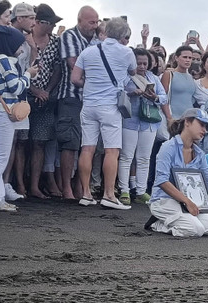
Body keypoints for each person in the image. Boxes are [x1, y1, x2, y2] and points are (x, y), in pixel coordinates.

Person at [71, 17, 137, 209]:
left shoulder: (88, 51)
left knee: (87, 148)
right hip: (110, 105)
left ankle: (86, 193)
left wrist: (91, 85)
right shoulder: (127, 52)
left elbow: (75, 79)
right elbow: (133, 72)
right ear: (123, 35)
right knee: (112, 150)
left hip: (89, 104)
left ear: (106, 31)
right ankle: (108, 194)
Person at [145, 108, 208, 237]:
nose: (204, 130)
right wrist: (187, 201)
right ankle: (156, 224)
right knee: (195, 230)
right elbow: (162, 181)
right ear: (187, 122)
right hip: (164, 200)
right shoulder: (168, 147)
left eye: (206, 127)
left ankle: (177, 220)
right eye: (201, 125)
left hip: (190, 201)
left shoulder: (199, 153)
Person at [0, 26, 39, 211]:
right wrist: (28, 75)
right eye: (18, 44)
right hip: (2, 113)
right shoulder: (6, 62)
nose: (21, 49)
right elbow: (16, 88)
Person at [57, 6, 99, 200]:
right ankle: (66, 187)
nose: (95, 26)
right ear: (80, 20)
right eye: (91, 22)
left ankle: (80, 186)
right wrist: (98, 76)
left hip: (91, 99)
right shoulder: (70, 36)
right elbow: (73, 64)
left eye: (97, 22)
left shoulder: (98, 41)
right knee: (70, 143)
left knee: (87, 144)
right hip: (72, 96)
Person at [117, 48, 167, 205]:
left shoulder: (153, 78)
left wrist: (155, 97)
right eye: (139, 63)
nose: (142, 66)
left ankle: (140, 190)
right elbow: (119, 92)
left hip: (149, 122)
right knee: (126, 156)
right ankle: (124, 189)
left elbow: (164, 98)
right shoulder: (126, 78)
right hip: (129, 120)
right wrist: (132, 93)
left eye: (145, 63)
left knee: (144, 158)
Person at [27, 4, 64, 198]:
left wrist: (47, 91)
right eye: (51, 23)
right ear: (40, 22)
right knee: (19, 142)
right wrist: (34, 90)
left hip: (45, 98)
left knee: (40, 142)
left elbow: (57, 69)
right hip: (23, 94)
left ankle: (34, 186)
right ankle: (18, 184)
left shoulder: (55, 41)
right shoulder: (24, 38)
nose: (52, 27)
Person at [3, 3, 37, 198]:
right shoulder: (5, 34)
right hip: (6, 92)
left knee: (15, 140)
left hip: (21, 94)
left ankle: (6, 183)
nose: (34, 22)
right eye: (31, 18)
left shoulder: (26, 40)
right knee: (1, 141)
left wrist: (33, 46)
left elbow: (32, 68)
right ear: (20, 18)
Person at [160, 45, 196, 121]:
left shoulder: (191, 77)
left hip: (189, 120)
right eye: (185, 57)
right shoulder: (169, 74)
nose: (188, 60)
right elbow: (163, 98)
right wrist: (169, 118)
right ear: (176, 58)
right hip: (173, 118)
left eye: (190, 58)